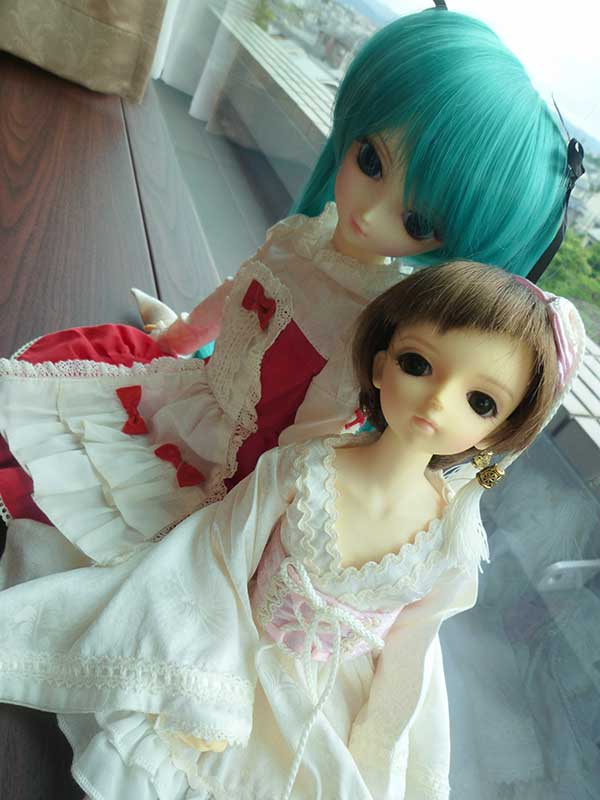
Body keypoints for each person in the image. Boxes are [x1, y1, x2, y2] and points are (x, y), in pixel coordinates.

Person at [0, 262, 586, 799]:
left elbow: (413, 659)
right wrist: (210, 681)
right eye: (418, 364)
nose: (437, 399)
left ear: (497, 433)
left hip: (333, 701)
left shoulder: (452, 541)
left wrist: (380, 753)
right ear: (380, 364)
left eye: (481, 401)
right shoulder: (303, 469)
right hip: (234, 648)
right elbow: (216, 554)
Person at [0, 8, 576, 552]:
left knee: (107, 511)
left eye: (418, 222)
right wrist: (181, 337)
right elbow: (242, 288)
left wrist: (268, 508)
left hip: (243, 467)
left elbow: (317, 430)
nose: (370, 212)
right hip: (195, 398)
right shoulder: (304, 235)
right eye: (370, 161)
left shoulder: (371, 317)